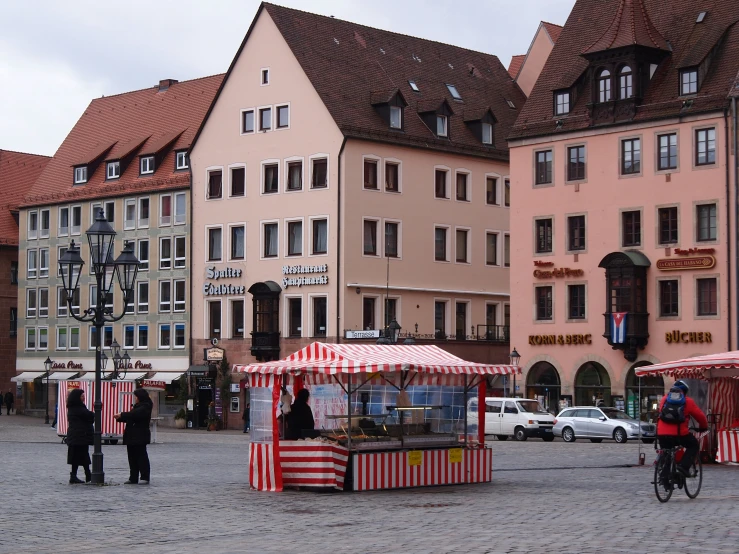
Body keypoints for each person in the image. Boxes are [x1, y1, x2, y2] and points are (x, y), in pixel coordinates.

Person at [657, 380, 708, 477]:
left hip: (661, 434)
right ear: (685, 392)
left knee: (667, 451)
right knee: (693, 445)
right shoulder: (688, 401)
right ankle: (683, 467)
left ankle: (664, 476)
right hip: (679, 434)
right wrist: (703, 427)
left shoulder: (664, 399)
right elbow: (700, 417)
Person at [114, 388, 153, 485]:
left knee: (141, 456)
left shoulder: (145, 406)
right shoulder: (138, 406)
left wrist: (122, 415)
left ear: (140, 397)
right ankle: (133, 477)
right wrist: (121, 418)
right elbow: (132, 417)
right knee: (132, 458)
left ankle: (144, 476)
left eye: (136, 396)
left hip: (139, 435)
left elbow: (135, 414)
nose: (135, 398)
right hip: (131, 435)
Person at [66, 388, 93, 484]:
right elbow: (88, 416)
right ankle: (86, 475)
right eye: (82, 396)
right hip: (78, 436)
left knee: (80, 456)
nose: (84, 397)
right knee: (80, 456)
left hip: (78, 435)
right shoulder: (77, 408)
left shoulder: (76, 407)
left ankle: (83, 475)